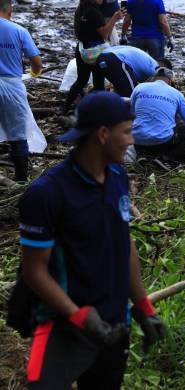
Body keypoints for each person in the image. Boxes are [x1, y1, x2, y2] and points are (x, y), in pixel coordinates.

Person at [20, 91, 166, 389]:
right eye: (126, 132)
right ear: (102, 134)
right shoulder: (47, 194)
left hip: (113, 324)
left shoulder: (117, 178)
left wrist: (143, 307)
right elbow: (34, 271)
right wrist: (78, 316)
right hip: (58, 328)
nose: (131, 140)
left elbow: (123, 245)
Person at [0, 0, 42, 182]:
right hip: (12, 87)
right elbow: (36, 62)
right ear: (9, 10)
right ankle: (21, 181)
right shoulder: (18, 30)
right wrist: (33, 73)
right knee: (18, 134)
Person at [64, 0, 125, 112]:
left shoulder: (80, 9)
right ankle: (99, 111)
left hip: (82, 48)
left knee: (81, 80)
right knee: (98, 82)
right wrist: (114, 18)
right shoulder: (94, 12)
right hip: (96, 51)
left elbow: (78, 31)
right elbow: (104, 34)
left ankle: (64, 107)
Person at [130, 66, 185, 161]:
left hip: (137, 140)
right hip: (162, 143)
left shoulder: (139, 87)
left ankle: (142, 154)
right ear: (169, 81)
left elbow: (130, 112)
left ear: (153, 78)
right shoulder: (177, 94)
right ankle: (166, 157)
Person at [95, 45, 160, 97]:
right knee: (131, 94)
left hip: (101, 57)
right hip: (117, 59)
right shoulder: (154, 69)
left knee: (100, 92)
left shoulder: (149, 62)